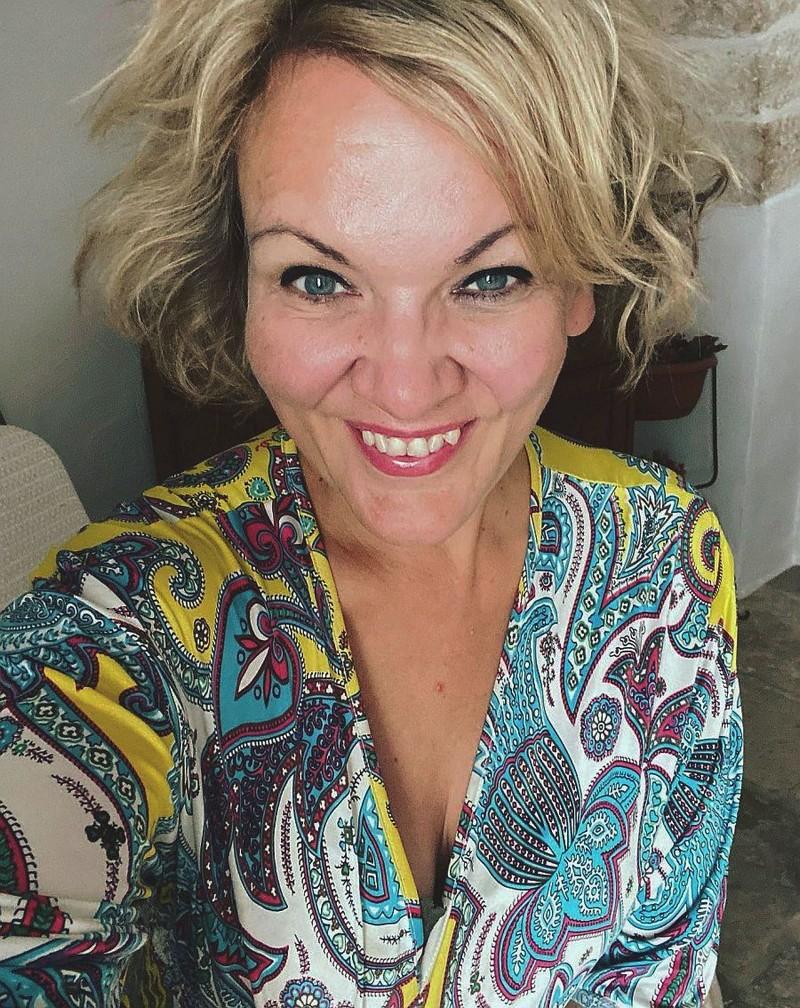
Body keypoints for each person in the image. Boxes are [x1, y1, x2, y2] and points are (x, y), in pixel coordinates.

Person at [0, 1, 742, 1006]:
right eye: (317, 278)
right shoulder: (125, 626)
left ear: (580, 281)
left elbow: (660, 974)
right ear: (239, 285)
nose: (403, 387)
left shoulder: (664, 559)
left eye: (489, 277)